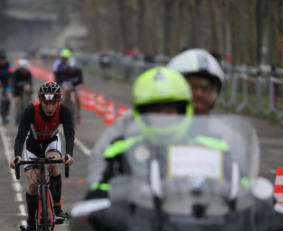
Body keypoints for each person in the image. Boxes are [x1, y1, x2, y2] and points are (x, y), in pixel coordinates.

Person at [73, 67, 230, 231]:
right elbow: (101, 179)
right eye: (155, 110)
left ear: (184, 110)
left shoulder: (212, 144)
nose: (164, 117)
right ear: (141, 113)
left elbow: (240, 181)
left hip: (196, 230)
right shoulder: (122, 147)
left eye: (171, 109)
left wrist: (257, 197)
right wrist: (99, 195)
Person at [87, 48, 225, 187]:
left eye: (207, 89)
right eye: (191, 86)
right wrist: (99, 191)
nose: (199, 94)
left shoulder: (222, 133)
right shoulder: (132, 121)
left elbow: (238, 172)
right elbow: (101, 157)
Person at [9, 82, 75, 231]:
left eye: (54, 103)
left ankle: (57, 207)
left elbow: (69, 133)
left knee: (53, 164)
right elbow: (20, 136)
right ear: (41, 101)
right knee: (33, 183)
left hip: (51, 142)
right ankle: (31, 224)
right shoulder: (30, 111)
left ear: (58, 102)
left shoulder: (64, 111)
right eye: (46, 103)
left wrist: (68, 155)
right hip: (32, 145)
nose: (50, 108)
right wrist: (17, 156)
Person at [61, 57, 84, 124]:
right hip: (68, 84)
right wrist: (66, 87)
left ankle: (78, 115)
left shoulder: (79, 71)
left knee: (78, 97)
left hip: (77, 85)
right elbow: (63, 83)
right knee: (66, 91)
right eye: (70, 69)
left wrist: (78, 87)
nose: (72, 70)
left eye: (73, 69)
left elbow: (81, 83)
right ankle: (66, 105)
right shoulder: (65, 70)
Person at [11, 59, 32, 125]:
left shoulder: (28, 73)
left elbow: (30, 83)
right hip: (17, 90)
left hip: (25, 90)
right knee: (17, 102)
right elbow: (13, 84)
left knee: (29, 98)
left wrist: (28, 87)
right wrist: (21, 85)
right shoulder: (15, 73)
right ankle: (17, 116)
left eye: (25, 69)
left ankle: (28, 111)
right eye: (23, 69)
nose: (24, 71)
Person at [0, 51, 13, 116]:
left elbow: (11, 73)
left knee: (8, 98)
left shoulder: (8, 64)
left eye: (4, 60)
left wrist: (11, 82)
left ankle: (7, 114)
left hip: (6, 81)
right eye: (1, 60)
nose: (2, 62)